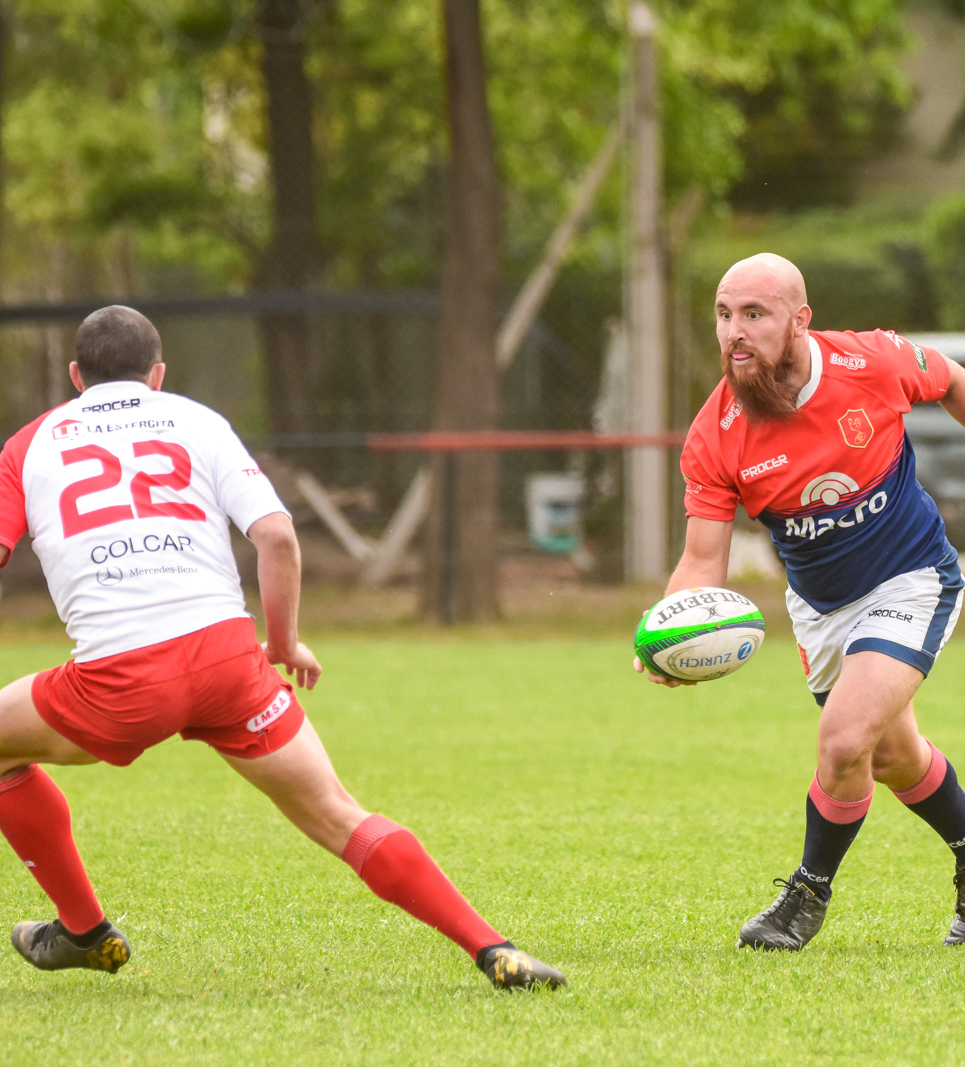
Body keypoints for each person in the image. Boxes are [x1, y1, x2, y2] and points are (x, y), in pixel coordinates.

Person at [0, 306, 564, 990]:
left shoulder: (28, 444)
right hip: (228, 662)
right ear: (157, 374)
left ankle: (85, 930)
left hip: (119, 680)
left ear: (73, 375)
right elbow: (276, 536)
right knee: (339, 814)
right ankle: (493, 948)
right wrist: (284, 641)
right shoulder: (197, 420)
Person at [634, 254, 965, 950]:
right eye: (723, 315)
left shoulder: (870, 363)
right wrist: (667, 634)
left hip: (912, 578)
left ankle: (805, 894)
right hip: (821, 610)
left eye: (755, 314)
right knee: (894, 757)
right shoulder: (716, 433)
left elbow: (955, 380)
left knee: (843, 742)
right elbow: (700, 563)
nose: (734, 333)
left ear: (799, 319)